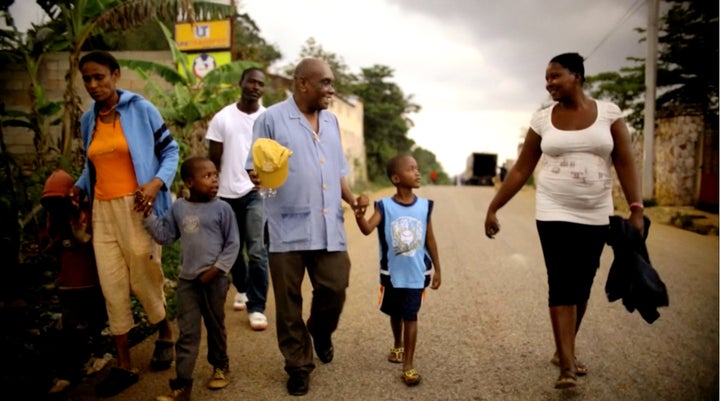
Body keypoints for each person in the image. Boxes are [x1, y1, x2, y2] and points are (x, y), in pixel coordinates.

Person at [483, 52, 644, 389]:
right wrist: (494, 207)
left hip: (596, 212)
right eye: (546, 78)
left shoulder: (609, 114)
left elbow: (626, 161)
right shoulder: (542, 120)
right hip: (553, 210)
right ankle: (567, 366)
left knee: (582, 284)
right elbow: (523, 168)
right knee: (560, 281)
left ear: (577, 76)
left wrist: (636, 208)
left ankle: (563, 348)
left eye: (555, 76)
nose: (549, 83)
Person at [245, 57, 368, 396]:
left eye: (331, 82)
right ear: (303, 84)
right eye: (326, 83)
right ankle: (298, 365)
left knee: (335, 285)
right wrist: (257, 176)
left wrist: (351, 198)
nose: (332, 89)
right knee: (287, 303)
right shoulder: (271, 119)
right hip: (286, 225)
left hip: (328, 222)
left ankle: (321, 330)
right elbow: (255, 170)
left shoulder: (330, 122)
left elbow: (337, 169)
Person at [72, 50, 179, 397]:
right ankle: (124, 364)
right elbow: (94, 168)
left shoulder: (141, 110)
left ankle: (164, 330)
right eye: (87, 78)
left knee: (144, 275)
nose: (93, 84)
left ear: (115, 75)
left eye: (99, 76)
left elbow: (171, 151)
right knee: (112, 284)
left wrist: (155, 183)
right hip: (103, 212)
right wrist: (78, 187)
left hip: (139, 207)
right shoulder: (89, 119)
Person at [144, 157, 240, 401]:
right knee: (187, 333)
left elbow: (232, 245)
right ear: (189, 182)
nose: (214, 180)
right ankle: (182, 385)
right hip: (188, 282)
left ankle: (220, 366)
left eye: (215, 175)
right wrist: (148, 217)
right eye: (207, 176)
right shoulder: (179, 208)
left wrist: (216, 270)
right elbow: (166, 236)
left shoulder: (222, 209)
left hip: (215, 280)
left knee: (215, 326)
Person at [354, 154, 442, 386]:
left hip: (417, 273)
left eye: (417, 168)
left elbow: (430, 240)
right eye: (411, 169)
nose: (417, 172)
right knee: (395, 312)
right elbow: (366, 229)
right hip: (392, 273)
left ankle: (409, 364)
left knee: (410, 315)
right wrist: (359, 214)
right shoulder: (385, 206)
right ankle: (397, 345)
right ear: (395, 178)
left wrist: (438, 269)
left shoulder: (424, 207)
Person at [206, 67, 269, 331]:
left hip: (256, 193)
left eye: (260, 84)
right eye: (251, 81)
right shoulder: (223, 118)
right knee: (232, 251)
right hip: (227, 194)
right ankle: (242, 287)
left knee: (257, 250)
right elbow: (213, 158)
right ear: (240, 83)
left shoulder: (269, 118)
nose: (255, 87)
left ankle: (257, 307)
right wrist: (211, 190)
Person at [40, 169, 108, 395]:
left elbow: (87, 238)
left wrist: (75, 219)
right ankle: (69, 372)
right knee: (70, 328)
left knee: (95, 322)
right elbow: (49, 246)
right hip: (68, 285)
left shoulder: (84, 215)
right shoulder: (53, 221)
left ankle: (99, 356)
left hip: (90, 281)